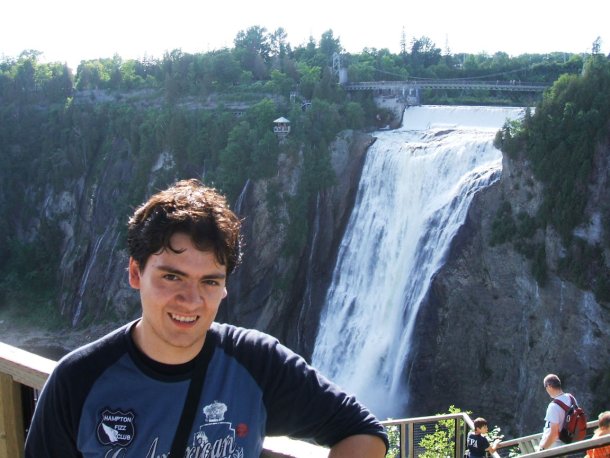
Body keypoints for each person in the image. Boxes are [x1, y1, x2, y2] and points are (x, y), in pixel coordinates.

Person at [24, 179, 388, 457]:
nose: (191, 300)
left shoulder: (257, 364)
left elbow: (364, 432)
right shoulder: (77, 381)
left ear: (225, 286)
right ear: (135, 274)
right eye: (172, 276)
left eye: (210, 281)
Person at [538, 373, 580, 451]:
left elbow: (554, 433)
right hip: (568, 443)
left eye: (545, 387)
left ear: (549, 386)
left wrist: (542, 449)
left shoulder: (553, 406)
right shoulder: (571, 398)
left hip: (553, 448)